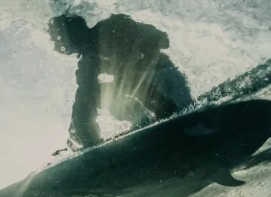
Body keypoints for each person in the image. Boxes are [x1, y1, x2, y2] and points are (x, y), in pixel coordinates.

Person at [48, 13, 192, 149]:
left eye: (57, 37)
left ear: (73, 32)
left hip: (164, 78)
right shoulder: (88, 62)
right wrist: (77, 132)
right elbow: (83, 100)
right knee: (99, 93)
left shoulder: (113, 26)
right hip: (148, 90)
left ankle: (171, 114)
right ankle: (92, 139)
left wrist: (139, 55)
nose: (55, 45)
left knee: (125, 83)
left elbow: (163, 40)